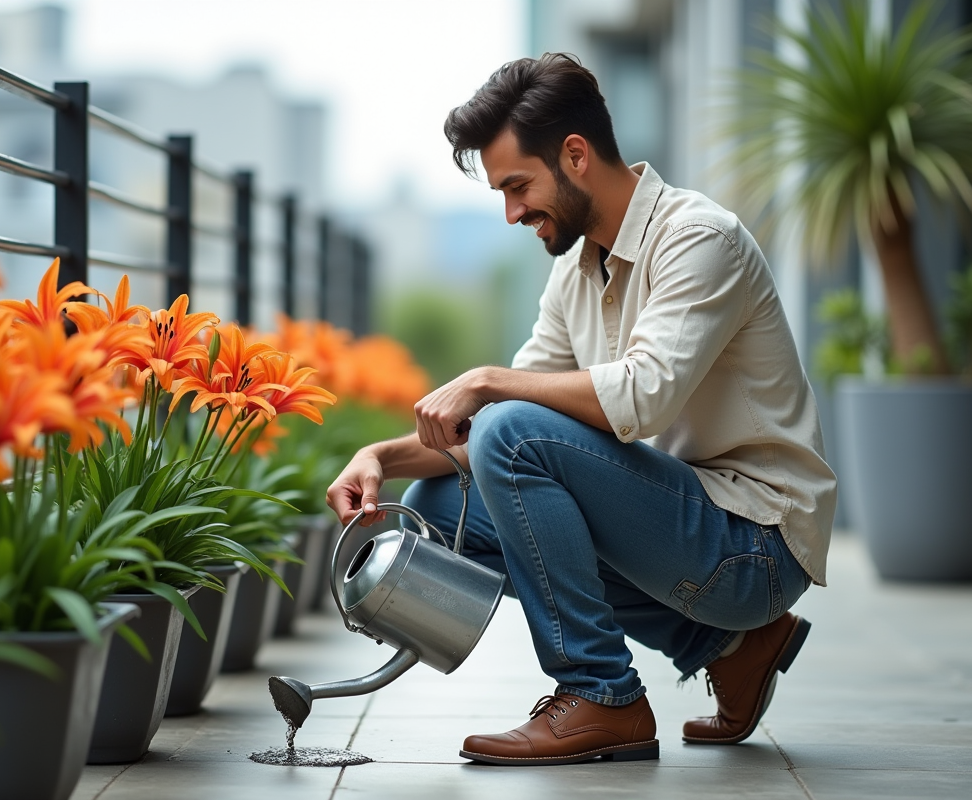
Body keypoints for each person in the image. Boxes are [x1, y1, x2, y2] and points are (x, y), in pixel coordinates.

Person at [326, 52, 836, 767]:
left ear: (574, 154)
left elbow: (637, 396)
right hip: (684, 526)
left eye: (518, 187)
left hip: (755, 546)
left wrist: (487, 379)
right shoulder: (575, 271)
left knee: (509, 428)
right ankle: (731, 646)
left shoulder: (699, 239)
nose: (511, 214)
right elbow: (494, 440)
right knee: (441, 502)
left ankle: (603, 694)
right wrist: (378, 457)